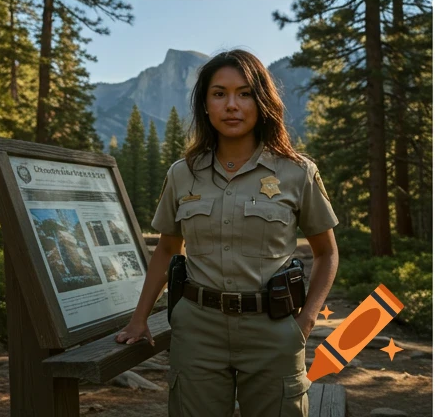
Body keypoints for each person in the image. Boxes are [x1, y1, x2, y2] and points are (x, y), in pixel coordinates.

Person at [115, 50, 339, 417]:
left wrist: (305, 322)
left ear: (262, 102)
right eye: (219, 94)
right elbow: (167, 250)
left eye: (245, 93)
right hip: (197, 331)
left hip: (273, 330)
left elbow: (327, 253)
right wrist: (139, 319)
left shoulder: (297, 172)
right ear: (205, 105)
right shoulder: (182, 174)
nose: (232, 105)